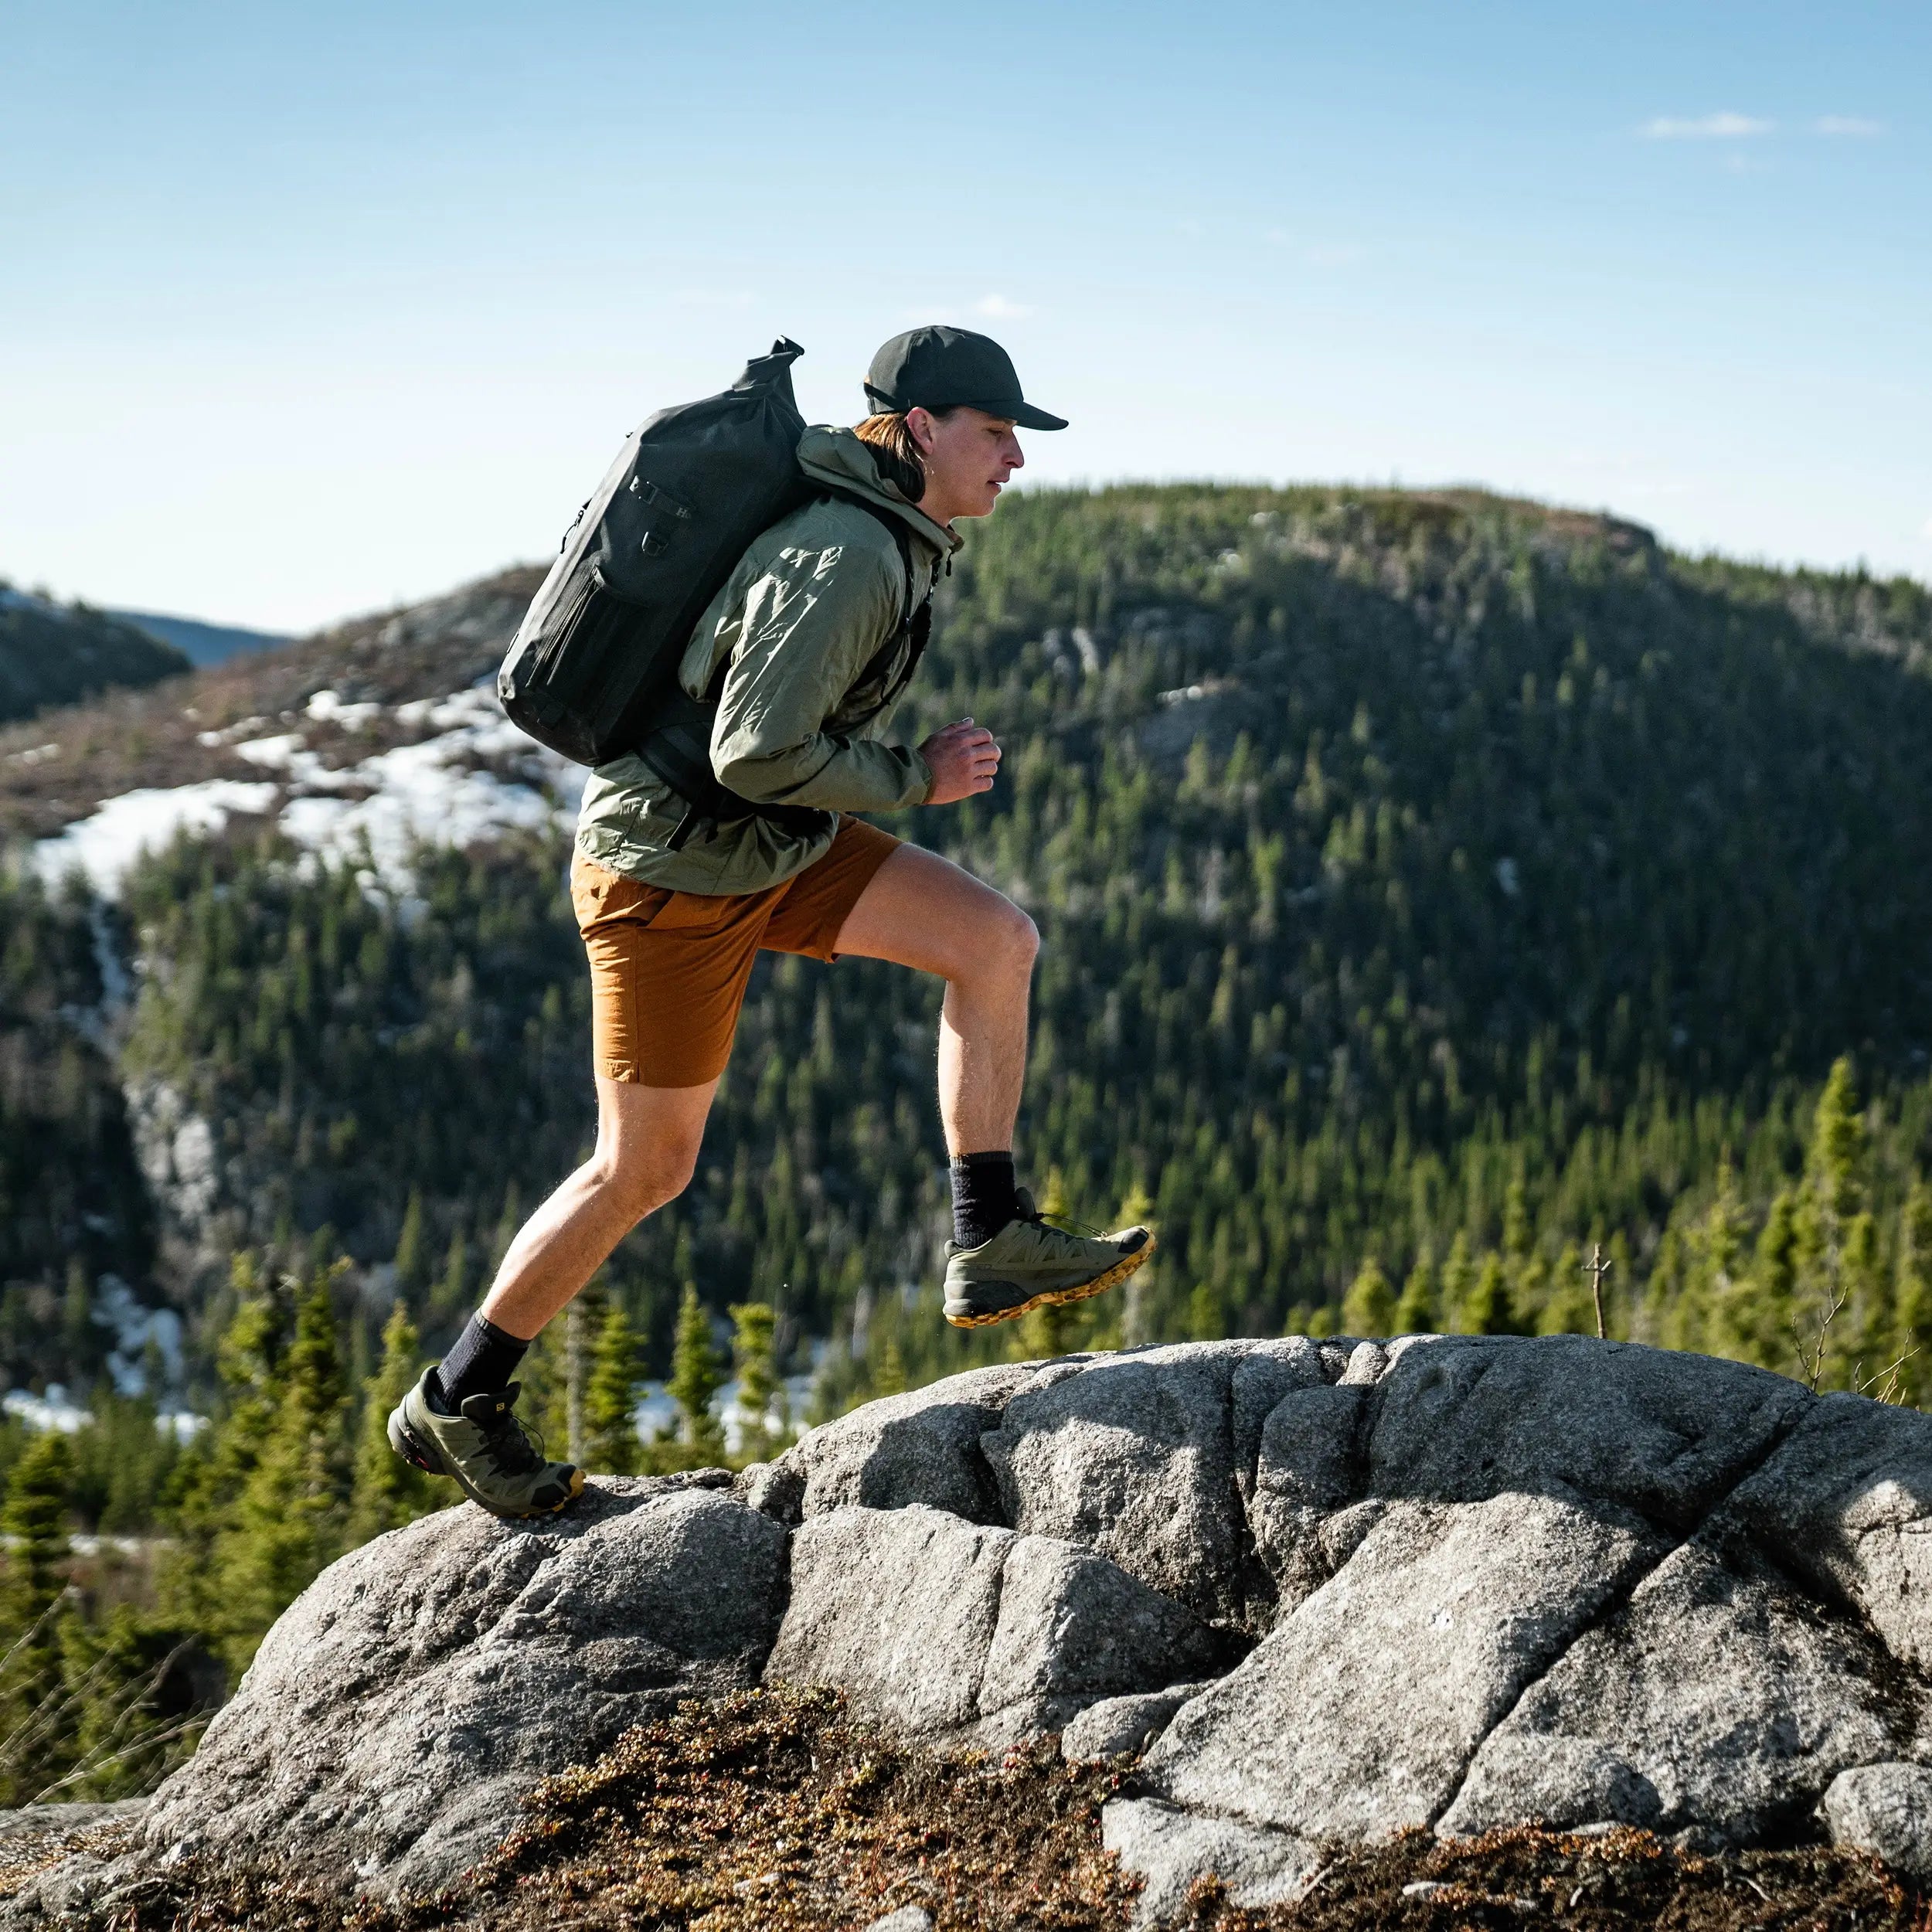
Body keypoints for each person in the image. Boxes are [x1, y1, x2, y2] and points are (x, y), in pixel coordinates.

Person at [389, 325, 1153, 1519]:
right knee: (644, 1165)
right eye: (996, 432)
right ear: (918, 429)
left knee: (993, 940)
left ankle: (989, 1234)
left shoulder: (894, 534)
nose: (1015, 458)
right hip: (673, 874)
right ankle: (457, 1397)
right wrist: (916, 775)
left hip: (767, 845)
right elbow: (754, 755)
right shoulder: (849, 550)